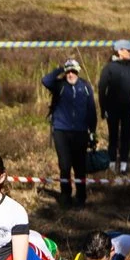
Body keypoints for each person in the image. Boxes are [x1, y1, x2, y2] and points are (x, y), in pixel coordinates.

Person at [41, 59, 96, 206]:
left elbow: (91, 109)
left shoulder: (85, 87)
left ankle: (81, 196)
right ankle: (65, 195)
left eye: (74, 72)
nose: (71, 74)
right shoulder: (59, 85)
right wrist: (60, 68)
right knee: (64, 166)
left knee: (80, 166)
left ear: (78, 72)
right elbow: (45, 80)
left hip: (80, 132)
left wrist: (93, 131)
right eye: (68, 72)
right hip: (61, 131)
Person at [97, 41, 130, 176]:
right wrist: (103, 108)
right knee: (113, 137)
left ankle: (124, 165)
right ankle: (111, 164)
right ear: (119, 51)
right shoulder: (109, 68)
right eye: (128, 50)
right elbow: (102, 89)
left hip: (128, 108)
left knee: (126, 137)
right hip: (112, 108)